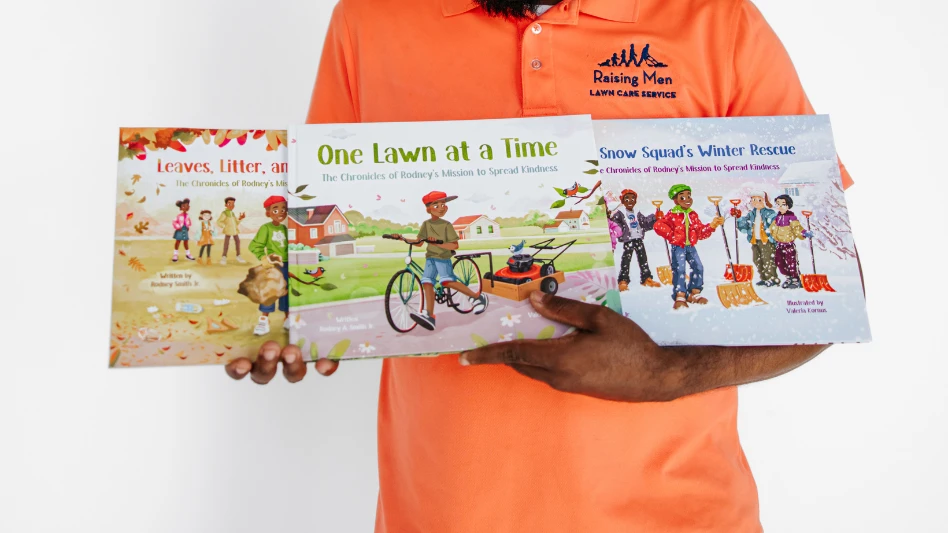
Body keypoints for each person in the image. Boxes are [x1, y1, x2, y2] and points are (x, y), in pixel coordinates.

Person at [226, 1, 857, 531]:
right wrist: (288, 326)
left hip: (680, 515)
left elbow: (829, 299)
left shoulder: (719, 22)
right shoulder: (370, 19)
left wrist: (666, 373)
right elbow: (312, 226)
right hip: (443, 513)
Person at [405, 191, 489, 330]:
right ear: (428, 209)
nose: (441, 208)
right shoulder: (426, 224)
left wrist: (438, 244)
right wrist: (402, 238)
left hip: (443, 258)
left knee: (446, 281)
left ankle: (477, 297)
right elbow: (419, 242)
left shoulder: (446, 225)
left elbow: (455, 245)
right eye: (436, 205)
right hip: (430, 258)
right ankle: (429, 315)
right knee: (427, 282)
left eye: (443, 204)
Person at [653, 184, 725, 309]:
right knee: (679, 270)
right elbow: (658, 225)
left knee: (698, 267)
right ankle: (680, 294)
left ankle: (694, 293)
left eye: (689, 196)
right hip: (678, 247)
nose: (687, 199)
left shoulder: (693, 215)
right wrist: (672, 235)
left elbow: (700, 232)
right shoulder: (672, 214)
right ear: (675, 200)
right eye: (682, 197)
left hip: (691, 247)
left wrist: (712, 225)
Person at [248, 195, 290, 335]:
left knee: (287, 291)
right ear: (268, 213)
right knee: (270, 291)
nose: (281, 213)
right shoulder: (266, 228)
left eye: (284, 209)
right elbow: (255, 245)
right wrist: (264, 258)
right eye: (276, 210)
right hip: (273, 266)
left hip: (287, 264)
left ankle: (288, 318)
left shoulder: (285, 229)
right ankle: (264, 320)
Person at [607, 189, 661, 291]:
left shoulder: (637, 213)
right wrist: (620, 230)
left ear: (635, 201)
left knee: (643, 258)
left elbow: (645, 223)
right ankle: (623, 280)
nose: (630, 201)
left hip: (638, 238)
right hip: (628, 239)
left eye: (633, 199)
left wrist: (655, 217)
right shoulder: (620, 213)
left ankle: (646, 278)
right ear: (622, 201)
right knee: (626, 260)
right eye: (627, 199)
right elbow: (616, 225)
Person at [735, 191, 779, 287]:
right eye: (753, 200)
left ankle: (772, 278)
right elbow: (744, 224)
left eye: (759, 200)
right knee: (757, 259)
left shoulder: (770, 213)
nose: (755, 202)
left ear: (765, 201)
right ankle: (764, 278)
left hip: (767, 241)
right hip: (755, 240)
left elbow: (775, 225)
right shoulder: (752, 214)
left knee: (768, 260)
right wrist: (738, 217)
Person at [768, 194, 812, 289]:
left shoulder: (791, 217)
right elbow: (772, 228)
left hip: (789, 245)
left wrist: (804, 233)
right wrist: (770, 234)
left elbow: (797, 228)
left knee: (791, 262)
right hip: (779, 245)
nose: (780, 206)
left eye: (783, 204)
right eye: (778, 204)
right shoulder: (777, 217)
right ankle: (788, 277)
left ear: (788, 206)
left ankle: (795, 279)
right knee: (779, 262)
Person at [217, 196, 247, 265]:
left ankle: (238, 255)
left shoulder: (232, 213)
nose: (231, 205)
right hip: (228, 231)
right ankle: (224, 257)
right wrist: (224, 226)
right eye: (229, 203)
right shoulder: (224, 213)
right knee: (226, 243)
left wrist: (241, 218)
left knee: (238, 241)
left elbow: (236, 222)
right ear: (225, 205)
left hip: (234, 231)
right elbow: (219, 221)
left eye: (233, 204)